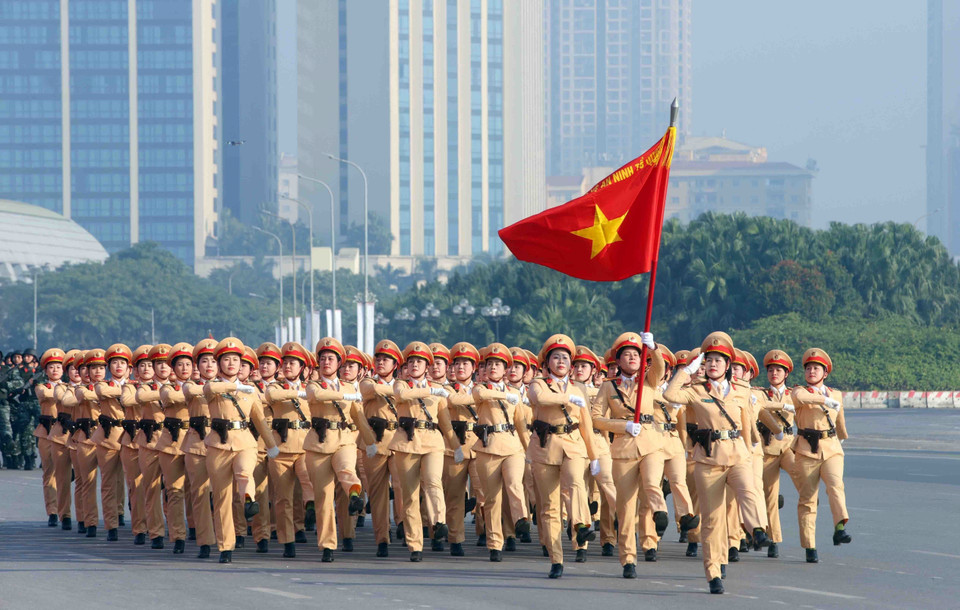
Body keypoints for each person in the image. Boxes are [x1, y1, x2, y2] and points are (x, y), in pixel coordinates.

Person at [663, 332, 770, 595]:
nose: (712, 364)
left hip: (737, 454)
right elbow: (669, 395)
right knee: (712, 520)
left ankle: (757, 529)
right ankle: (713, 572)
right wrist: (687, 370)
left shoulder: (741, 392)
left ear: (727, 365)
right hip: (708, 460)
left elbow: (745, 425)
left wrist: (751, 445)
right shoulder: (696, 392)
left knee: (749, 490)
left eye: (718, 360)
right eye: (708, 360)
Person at [592, 332, 669, 578]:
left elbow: (660, 366)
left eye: (636, 354)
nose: (632, 357)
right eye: (627, 354)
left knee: (651, 483)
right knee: (625, 508)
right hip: (624, 447)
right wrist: (621, 426)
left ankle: (659, 513)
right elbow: (595, 418)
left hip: (650, 442)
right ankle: (628, 559)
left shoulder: (648, 380)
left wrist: (653, 347)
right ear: (618, 360)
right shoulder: (607, 386)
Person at [528, 334, 598, 579]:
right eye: (555, 357)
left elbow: (586, 425)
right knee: (549, 508)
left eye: (565, 358)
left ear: (571, 363)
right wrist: (567, 397)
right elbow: (541, 399)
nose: (561, 361)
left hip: (573, 444)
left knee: (576, 483)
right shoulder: (537, 383)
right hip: (545, 448)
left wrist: (594, 455)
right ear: (547, 363)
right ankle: (556, 559)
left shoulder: (579, 388)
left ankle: (580, 525)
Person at [203, 338, 279, 563]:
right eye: (226, 360)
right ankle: (226, 546)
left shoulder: (251, 391)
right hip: (218, 443)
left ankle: (248, 499)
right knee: (222, 498)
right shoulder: (214, 387)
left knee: (245, 472)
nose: (231, 364)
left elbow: (260, 420)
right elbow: (211, 388)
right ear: (219, 363)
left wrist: (272, 445)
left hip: (245, 441)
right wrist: (236, 385)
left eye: (235, 360)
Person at [303, 338, 372, 562]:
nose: (326, 362)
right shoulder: (313, 385)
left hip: (344, 438)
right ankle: (327, 545)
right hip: (319, 444)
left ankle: (354, 495)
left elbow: (359, 418)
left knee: (346, 470)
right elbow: (317, 396)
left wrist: (371, 442)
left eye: (331, 359)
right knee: (324, 497)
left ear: (339, 363)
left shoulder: (350, 387)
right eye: (322, 359)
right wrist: (345, 395)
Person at [469, 343, 531, 562]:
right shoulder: (479, 389)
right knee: (492, 498)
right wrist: (506, 397)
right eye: (490, 364)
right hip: (488, 447)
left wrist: (529, 449)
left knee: (514, 483)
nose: (493, 367)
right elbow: (482, 394)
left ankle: (521, 519)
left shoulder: (514, 393)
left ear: (506, 370)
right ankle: (495, 543)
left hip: (512, 445)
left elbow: (521, 425)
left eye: (498, 364)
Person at [390, 341, 450, 562]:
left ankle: (439, 522)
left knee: (433, 481)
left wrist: (457, 445)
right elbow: (402, 396)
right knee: (410, 495)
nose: (415, 364)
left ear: (427, 366)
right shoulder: (400, 385)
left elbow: (445, 421)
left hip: (432, 441)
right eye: (412, 361)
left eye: (420, 361)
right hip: (407, 442)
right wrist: (431, 390)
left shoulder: (437, 391)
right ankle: (415, 544)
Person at [791, 348, 851, 564]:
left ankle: (840, 527)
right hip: (807, 450)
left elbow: (840, 420)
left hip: (831, 447)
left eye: (816, 368)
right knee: (808, 500)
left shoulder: (836, 394)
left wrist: (842, 437)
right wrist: (824, 401)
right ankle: (810, 545)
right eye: (808, 368)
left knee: (836, 486)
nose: (811, 371)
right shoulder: (799, 392)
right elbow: (803, 398)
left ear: (825, 373)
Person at [265, 342, 321, 559]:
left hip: (306, 445)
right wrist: (299, 393)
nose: (288, 366)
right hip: (281, 448)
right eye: (285, 363)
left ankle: (309, 510)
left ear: (303, 368)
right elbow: (272, 397)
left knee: (309, 484)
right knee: (283, 498)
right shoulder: (276, 387)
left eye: (293, 363)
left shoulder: (313, 388)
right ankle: (287, 540)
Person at [437, 341, 484, 556]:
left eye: (466, 364)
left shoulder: (482, 388)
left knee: (485, 494)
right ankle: (455, 538)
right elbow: (452, 400)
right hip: (455, 447)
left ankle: (488, 533)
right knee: (454, 497)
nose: (461, 368)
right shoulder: (446, 389)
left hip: (480, 447)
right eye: (457, 364)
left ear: (474, 368)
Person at [360, 339, 404, 558]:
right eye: (378, 358)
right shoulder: (367, 383)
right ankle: (382, 538)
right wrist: (399, 391)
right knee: (378, 495)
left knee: (403, 486)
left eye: (386, 359)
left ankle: (404, 523)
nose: (380, 362)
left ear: (395, 364)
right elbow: (373, 389)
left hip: (399, 440)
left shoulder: (404, 384)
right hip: (375, 443)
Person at [571, 345, 617, 557]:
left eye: (585, 366)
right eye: (577, 365)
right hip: (576, 442)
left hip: (598, 441)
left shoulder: (604, 389)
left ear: (594, 371)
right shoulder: (566, 389)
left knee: (607, 486)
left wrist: (607, 446)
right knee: (578, 490)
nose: (580, 369)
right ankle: (580, 543)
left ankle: (610, 535)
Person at [757, 349, 802, 559]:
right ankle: (774, 539)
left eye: (779, 370)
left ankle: (808, 495)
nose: (774, 373)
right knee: (770, 497)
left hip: (788, 446)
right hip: (768, 450)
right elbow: (760, 406)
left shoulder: (795, 393)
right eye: (771, 370)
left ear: (786, 374)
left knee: (802, 473)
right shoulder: (760, 394)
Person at [91, 344, 134, 542]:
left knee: (135, 483)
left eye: (122, 363)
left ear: (129, 368)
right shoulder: (103, 385)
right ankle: (111, 525)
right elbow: (105, 393)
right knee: (108, 483)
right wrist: (129, 390)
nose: (118, 366)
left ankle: (140, 524)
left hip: (131, 436)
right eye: (114, 363)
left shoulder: (135, 385)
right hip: (108, 438)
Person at [156, 343, 195, 553]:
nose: (184, 368)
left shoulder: (200, 387)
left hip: (194, 442)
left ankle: (197, 527)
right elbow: (171, 398)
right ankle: (178, 534)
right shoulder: (167, 388)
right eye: (180, 364)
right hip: (171, 444)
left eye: (188, 364)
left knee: (197, 491)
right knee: (175, 491)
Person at [182, 339, 218, 558]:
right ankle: (205, 540)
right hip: (197, 445)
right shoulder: (191, 387)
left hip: (223, 445)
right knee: (200, 494)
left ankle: (228, 538)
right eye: (204, 361)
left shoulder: (233, 386)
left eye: (214, 360)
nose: (209, 365)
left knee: (223, 495)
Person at [136, 344, 172, 549]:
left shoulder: (182, 387)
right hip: (150, 441)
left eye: (167, 364)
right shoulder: (145, 387)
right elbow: (139, 397)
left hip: (173, 441)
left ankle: (179, 531)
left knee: (176, 490)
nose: (163, 368)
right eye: (158, 364)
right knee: (151, 488)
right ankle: (155, 532)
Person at [34, 348, 65, 526]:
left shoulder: (70, 388)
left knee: (64, 474)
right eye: (51, 367)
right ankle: (52, 511)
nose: (55, 370)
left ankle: (64, 511)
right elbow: (45, 395)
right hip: (46, 432)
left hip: (63, 433)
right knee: (49, 473)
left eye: (58, 367)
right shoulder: (42, 387)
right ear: (45, 371)